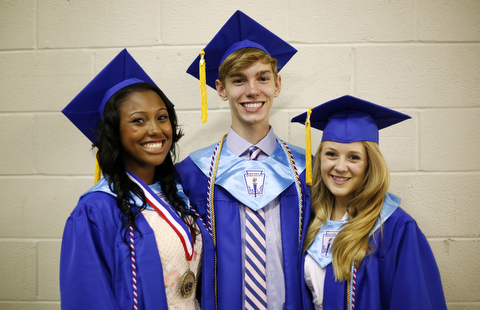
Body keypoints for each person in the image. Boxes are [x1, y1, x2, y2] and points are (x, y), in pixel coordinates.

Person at [175, 10, 312, 310]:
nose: (252, 90)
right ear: (221, 89)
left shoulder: (309, 171)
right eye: (239, 80)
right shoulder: (191, 174)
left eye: (262, 78)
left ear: (277, 85)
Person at [60, 49, 208, 309]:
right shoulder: (96, 210)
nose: (155, 129)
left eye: (162, 118)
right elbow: (89, 298)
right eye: (138, 120)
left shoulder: (178, 193)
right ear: (114, 133)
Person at [292, 95, 447, 310]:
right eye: (331, 154)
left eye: (353, 157)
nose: (340, 166)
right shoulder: (309, 220)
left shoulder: (396, 228)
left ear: (369, 165)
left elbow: (414, 300)